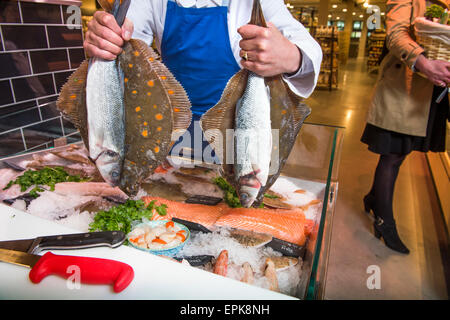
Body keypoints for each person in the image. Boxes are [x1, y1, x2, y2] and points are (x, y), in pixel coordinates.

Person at [83, 0, 322, 161]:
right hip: (174, 129)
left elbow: (305, 45)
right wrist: (107, 39)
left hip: (240, 129)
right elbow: (127, 39)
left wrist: (292, 57)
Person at [361, 0, 450, 254]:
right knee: (392, 155)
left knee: (401, 152)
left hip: (431, 90)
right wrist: (424, 63)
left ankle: (373, 197)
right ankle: (384, 222)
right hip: (405, 84)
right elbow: (395, 34)